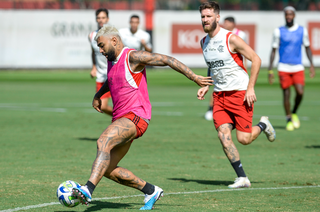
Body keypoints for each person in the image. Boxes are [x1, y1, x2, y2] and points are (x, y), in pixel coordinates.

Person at [72, 25, 213, 210]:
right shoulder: (111, 61)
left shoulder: (133, 57)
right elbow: (112, 79)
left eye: (102, 45)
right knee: (106, 169)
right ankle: (150, 190)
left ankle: (88, 189)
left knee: (102, 142)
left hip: (135, 116)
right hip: (121, 119)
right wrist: (98, 95)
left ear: (114, 40)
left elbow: (166, 59)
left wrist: (194, 77)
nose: (100, 50)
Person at [197, 1, 276, 189]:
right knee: (223, 135)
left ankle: (263, 124)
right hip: (219, 97)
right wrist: (206, 85)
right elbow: (213, 67)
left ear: (217, 17)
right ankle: (242, 177)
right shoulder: (203, 42)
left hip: (240, 94)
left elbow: (256, 59)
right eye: (203, 17)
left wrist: (250, 88)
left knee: (244, 139)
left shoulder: (230, 38)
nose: (205, 20)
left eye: (209, 16)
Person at [268, 6, 315, 131]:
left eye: (290, 14)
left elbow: (307, 47)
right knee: (286, 94)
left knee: (300, 92)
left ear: (294, 15)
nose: (288, 16)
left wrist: (311, 64)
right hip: (283, 66)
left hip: (297, 66)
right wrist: (270, 69)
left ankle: (294, 112)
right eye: (286, 14)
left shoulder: (302, 31)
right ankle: (288, 119)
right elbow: (273, 51)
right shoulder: (278, 31)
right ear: (284, 16)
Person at [205, 16, 248, 121]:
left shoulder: (240, 35)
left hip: (235, 68)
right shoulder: (218, 35)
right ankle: (211, 109)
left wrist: (245, 68)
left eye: (227, 23)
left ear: (233, 23)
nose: (225, 25)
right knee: (217, 86)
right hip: (220, 65)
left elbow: (245, 53)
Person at [89, 8, 113, 116]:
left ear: (107, 19)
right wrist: (94, 67)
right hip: (101, 75)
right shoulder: (92, 35)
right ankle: (124, 119)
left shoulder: (113, 35)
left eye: (103, 18)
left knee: (117, 104)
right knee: (100, 106)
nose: (100, 20)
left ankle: (124, 120)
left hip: (113, 74)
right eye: (98, 18)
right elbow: (93, 52)